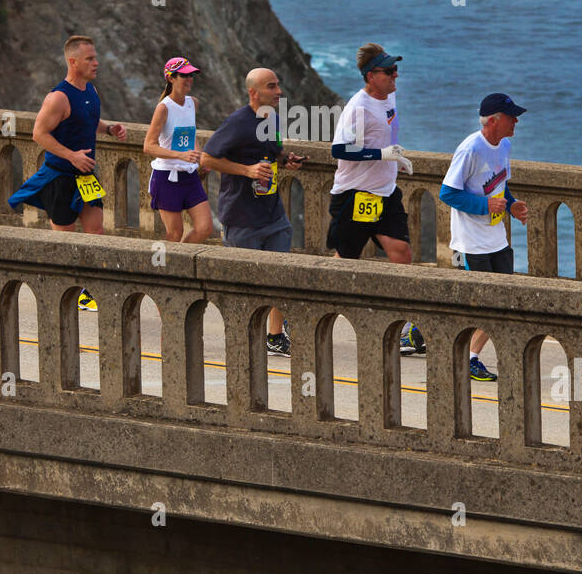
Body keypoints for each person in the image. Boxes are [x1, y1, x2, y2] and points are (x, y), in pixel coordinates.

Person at [8, 35, 127, 309]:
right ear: (73, 61)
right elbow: (39, 133)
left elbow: (88, 121)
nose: (96, 63)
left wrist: (109, 129)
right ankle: (61, 292)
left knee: (96, 232)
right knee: (65, 239)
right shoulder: (58, 97)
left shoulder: (91, 91)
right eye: (90, 59)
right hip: (60, 177)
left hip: (85, 177)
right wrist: (71, 155)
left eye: (95, 57)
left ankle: (89, 292)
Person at [200, 68, 306, 356]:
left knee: (281, 279)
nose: (279, 91)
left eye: (278, 85)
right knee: (245, 285)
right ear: (254, 92)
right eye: (272, 86)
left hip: (273, 214)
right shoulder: (237, 122)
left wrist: (286, 159)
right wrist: (246, 170)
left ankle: (274, 336)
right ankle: (241, 341)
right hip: (242, 217)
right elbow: (208, 157)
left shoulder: (271, 118)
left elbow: (273, 152)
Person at [327, 44, 421, 355]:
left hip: (385, 191)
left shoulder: (389, 96)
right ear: (371, 77)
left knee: (402, 252)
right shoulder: (359, 108)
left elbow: (388, 129)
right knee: (345, 259)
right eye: (389, 71)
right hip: (356, 194)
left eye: (396, 69)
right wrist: (380, 154)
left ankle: (405, 322)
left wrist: (396, 155)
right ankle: (317, 311)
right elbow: (339, 150)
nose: (396, 75)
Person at [440, 93, 529, 381]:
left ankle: (469, 356)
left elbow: (499, 184)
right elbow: (448, 193)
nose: (516, 120)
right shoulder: (470, 150)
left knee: (502, 302)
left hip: (497, 238)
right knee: (481, 305)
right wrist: (483, 206)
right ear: (494, 120)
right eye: (511, 116)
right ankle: (467, 357)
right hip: (471, 242)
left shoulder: (505, 145)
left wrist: (512, 205)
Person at [143, 56, 213, 244]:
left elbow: (189, 136)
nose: (190, 80)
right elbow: (148, 146)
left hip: (189, 177)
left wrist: (200, 158)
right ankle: (165, 270)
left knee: (205, 228)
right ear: (171, 78)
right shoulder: (163, 108)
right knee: (174, 234)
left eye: (191, 75)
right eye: (184, 75)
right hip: (167, 177)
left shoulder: (193, 103)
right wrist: (180, 155)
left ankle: (181, 262)